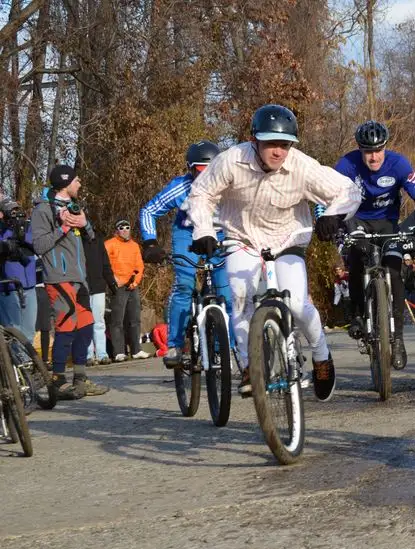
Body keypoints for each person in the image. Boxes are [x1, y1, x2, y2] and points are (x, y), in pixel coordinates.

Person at [188, 104, 361, 400]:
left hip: (288, 239)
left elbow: (348, 190)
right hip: (242, 238)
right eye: (270, 143)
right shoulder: (231, 160)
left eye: (284, 144)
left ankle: (321, 356)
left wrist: (333, 215)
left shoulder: (302, 166)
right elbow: (202, 194)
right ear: (255, 140)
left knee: (294, 303)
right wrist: (203, 230)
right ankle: (249, 367)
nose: (278, 151)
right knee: (241, 299)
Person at [327, 120, 415, 370]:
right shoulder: (346, 164)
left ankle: (397, 339)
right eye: (367, 151)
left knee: (395, 272)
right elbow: (324, 195)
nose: (373, 157)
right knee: (355, 256)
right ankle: (357, 316)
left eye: (377, 150)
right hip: (357, 220)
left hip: (387, 223)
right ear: (360, 150)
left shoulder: (399, 164)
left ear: (385, 147)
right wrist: (326, 220)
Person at [139, 140, 230, 369]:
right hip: (187, 234)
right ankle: (174, 344)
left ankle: (227, 347)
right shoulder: (180, 187)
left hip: (219, 235)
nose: (204, 177)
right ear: (190, 169)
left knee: (226, 290)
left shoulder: (230, 187)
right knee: (184, 284)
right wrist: (150, 242)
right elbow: (149, 211)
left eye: (210, 171)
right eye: (199, 171)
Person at [30, 164, 108, 398]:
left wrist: (84, 225)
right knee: (65, 327)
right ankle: (58, 381)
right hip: (59, 277)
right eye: (76, 181)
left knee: (85, 328)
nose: (80, 184)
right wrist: (63, 227)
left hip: (79, 278)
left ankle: (80, 380)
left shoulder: (74, 207)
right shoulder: (42, 210)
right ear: (65, 183)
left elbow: (92, 238)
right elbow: (40, 246)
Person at [105, 220, 148, 361]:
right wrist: (113, 279)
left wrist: (135, 281)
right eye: (121, 227)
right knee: (117, 320)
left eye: (127, 227)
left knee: (135, 319)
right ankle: (119, 352)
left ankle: (136, 350)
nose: (124, 230)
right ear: (116, 230)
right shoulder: (109, 244)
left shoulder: (135, 246)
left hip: (132, 286)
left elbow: (139, 266)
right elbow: (105, 264)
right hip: (117, 286)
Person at [0, 199, 36, 339]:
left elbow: (39, 245)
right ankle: (18, 360)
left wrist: (22, 236)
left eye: (17, 210)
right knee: (14, 330)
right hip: (9, 287)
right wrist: (9, 237)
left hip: (30, 286)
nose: (15, 215)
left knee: (29, 330)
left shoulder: (27, 227)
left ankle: (28, 360)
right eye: (11, 212)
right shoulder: (2, 229)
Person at [82, 217, 116, 364]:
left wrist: (111, 283)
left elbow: (105, 264)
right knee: (85, 322)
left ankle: (102, 354)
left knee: (99, 321)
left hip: (98, 286)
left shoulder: (98, 242)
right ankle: (89, 354)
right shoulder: (76, 242)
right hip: (82, 288)